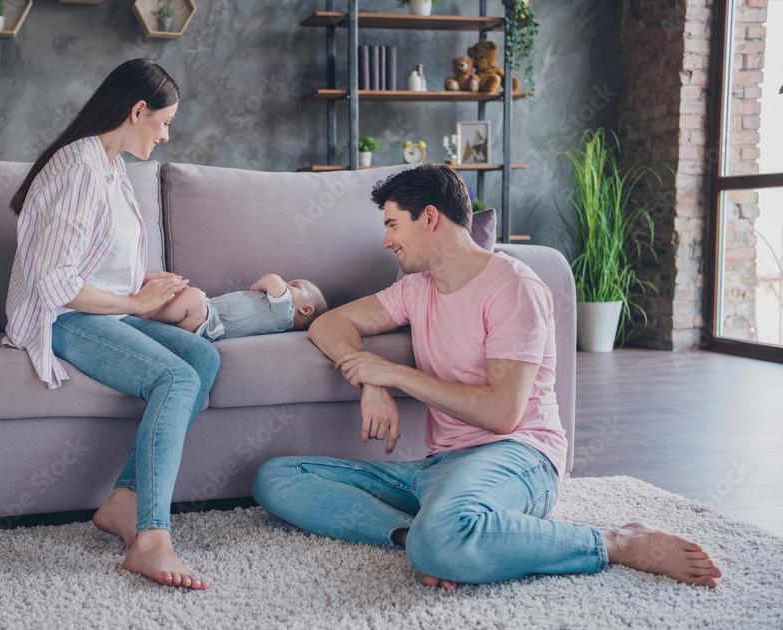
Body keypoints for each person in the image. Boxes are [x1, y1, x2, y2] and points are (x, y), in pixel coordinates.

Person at [253, 164, 722, 590]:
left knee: (444, 536)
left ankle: (613, 541)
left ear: (430, 217)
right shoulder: (416, 288)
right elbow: (327, 323)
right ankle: (427, 538)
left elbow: (502, 414)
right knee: (278, 477)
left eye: (393, 224)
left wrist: (395, 374)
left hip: (518, 456)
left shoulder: (513, 287)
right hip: (440, 467)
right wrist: (372, 383)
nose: (386, 241)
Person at [3, 59, 218, 590]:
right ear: (137, 109)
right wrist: (142, 306)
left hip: (101, 307)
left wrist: (141, 282)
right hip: (63, 318)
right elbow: (55, 283)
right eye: (164, 122)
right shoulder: (78, 165)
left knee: (203, 356)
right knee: (177, 377)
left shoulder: (111, 165)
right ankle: (152, 537)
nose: (166, 135)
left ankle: (123, 499)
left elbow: (86, 258)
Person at [144, 273, 328, 341]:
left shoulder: (284, 317)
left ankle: (146, 313)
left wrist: (260, 284)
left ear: (306, 309)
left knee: (194, 296)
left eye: (293, 286)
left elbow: (273, 278)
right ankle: (152, 311)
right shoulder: (274, 309)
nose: (286, 284)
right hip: (204, 314)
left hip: (208, 326)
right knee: (183, 293)